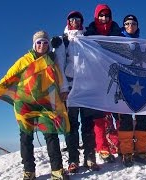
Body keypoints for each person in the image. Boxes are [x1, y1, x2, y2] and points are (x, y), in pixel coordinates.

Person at [0, 31, 69, 180]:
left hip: (45, 104)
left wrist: (63, 90)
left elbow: (60, 78)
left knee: (51, 134)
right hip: (25, 104)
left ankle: (57, 170)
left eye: (45, 42)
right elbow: (10, 75)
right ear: (34, 45)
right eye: (39, 42)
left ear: (48, 45)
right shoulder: (24, 60)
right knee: (26, 136)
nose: (42, 45)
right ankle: (29, 171)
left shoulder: (51, 60)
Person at [52, 11, 93, 173]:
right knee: (72, 125)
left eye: (77, 19)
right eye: (71, 19)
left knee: (88, 124)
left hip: (87, 87)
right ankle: (73, 159)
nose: (74, 21)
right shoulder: (63, 41)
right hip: (70, 88)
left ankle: (90, 157)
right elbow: (59, 66)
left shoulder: (89, 40)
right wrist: (63, 89)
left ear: (82, 22)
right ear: (68, 21)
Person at [83, 3, 122, 165]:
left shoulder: (117, 33)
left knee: (119, 113)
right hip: (97, 80)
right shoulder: (88, 33)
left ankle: (120, 145)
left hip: (116, 79)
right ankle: (103, 148)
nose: (104, 18)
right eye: (101, 15)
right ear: (96, 16)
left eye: (107, 15)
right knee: (99, 116)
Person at [116, 14, 146, 167]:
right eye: (127, 23)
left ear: (137, 26)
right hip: (124, 86)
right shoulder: (117, 43)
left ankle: (142, 151)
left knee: (143, 119)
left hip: (142, 86)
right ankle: (127, 152)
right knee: (125, 120)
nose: (130, 26)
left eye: (133, 23)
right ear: (123, 26)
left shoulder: (143, 45)